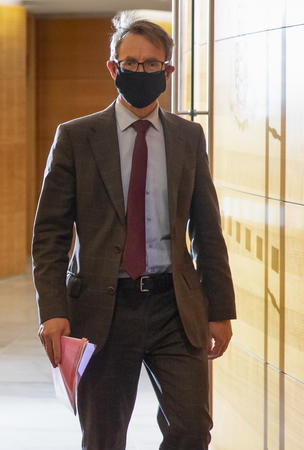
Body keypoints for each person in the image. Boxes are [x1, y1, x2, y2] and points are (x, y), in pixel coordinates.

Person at [32, 12, 236, 450]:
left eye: (150, 64)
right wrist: (52, 309)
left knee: (191, 429)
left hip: (174, 308)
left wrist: (220, 308)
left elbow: (207, 228)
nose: (139, 71)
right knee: (104, 437)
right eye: (130, 63)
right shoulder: (76, 137)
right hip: (103, 310)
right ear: (113, 67)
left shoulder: (188, 137)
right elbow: (49, 233)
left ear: (168, 71)